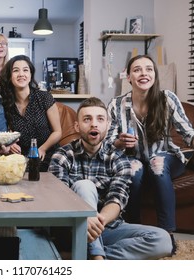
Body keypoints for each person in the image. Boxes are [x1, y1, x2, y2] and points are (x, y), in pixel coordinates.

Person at [105, 54, 194, 255]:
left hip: (167, 158)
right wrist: (119, 142)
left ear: (154, 75)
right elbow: (108, 141)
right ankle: (134, 228)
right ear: (129, 77)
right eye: (137, 69)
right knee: (133, 169)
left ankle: (167, 232)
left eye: (149, 69)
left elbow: (187, 134)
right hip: (133, 159)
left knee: (157, 163)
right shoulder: (116, 104)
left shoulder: (167, 98)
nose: (144, 73)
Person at [48, 97, 172, 260]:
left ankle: (82, 256)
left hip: (107, 227)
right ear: (77, 126)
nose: (94, 124)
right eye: (87, 119)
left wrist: (95, 221)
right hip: (72, 228)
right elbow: (60, 199)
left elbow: (116, 200)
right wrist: (85, 219)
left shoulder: (120, 159)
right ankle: (97, 257)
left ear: (107, 125)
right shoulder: (62, 156)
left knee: (163, 241)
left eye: (100, 119)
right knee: (85, 186)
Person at [0, 55, 61, 171]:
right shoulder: (4, 104)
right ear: (10, 76)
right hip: (22, 157)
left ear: (30, 75)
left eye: (25, 70)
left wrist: (42, 149)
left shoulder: (44, 97)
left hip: (47, 153)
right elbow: (7, 133)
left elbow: (57, 132)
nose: (21, 74)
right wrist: (10, 144)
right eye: (16, 70)